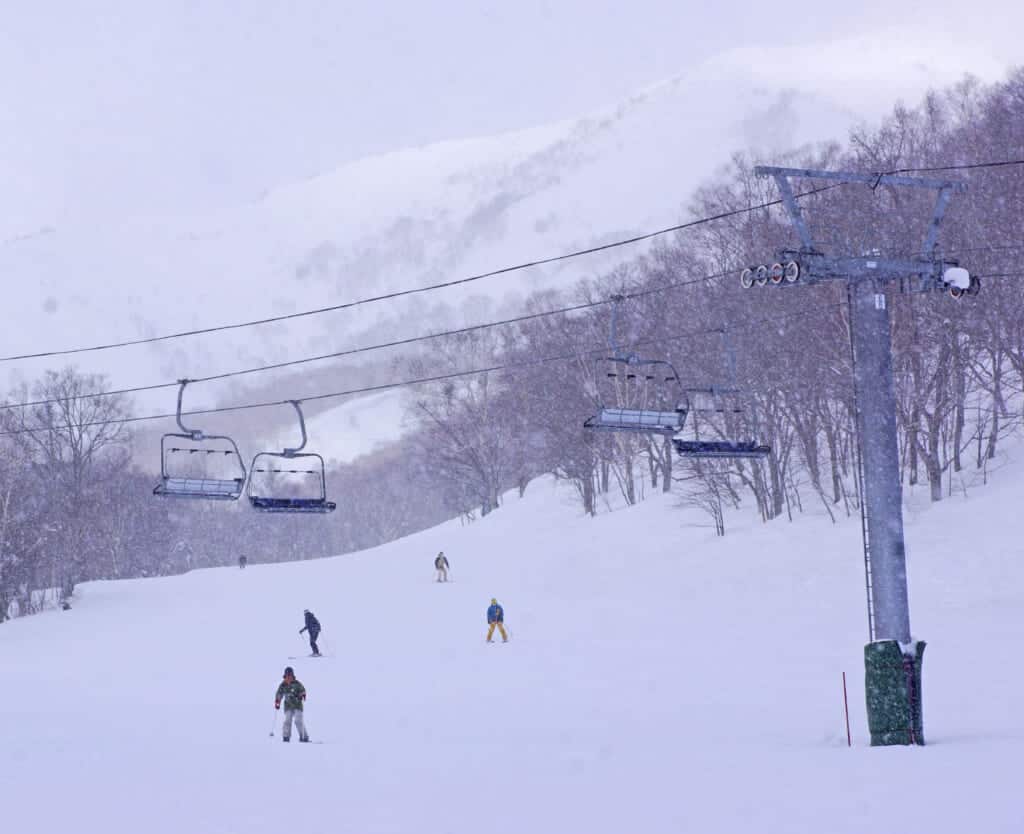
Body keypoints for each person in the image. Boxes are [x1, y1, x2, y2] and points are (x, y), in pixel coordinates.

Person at [274, 666, 310, 743]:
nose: (288, 678)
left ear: (292, 676)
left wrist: (302, 695)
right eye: (287, 676)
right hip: (288, 706)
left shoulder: (297, 684)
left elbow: (302, 690)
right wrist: (278, 701)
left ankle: (304, 736)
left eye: (290, 676)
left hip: (297, 705)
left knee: (298, 720)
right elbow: (279, 693)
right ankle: (286, 736)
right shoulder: (283, 685)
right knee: (287, 720)